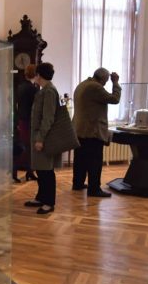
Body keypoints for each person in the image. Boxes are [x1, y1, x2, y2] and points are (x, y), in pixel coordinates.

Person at [25, 62, 77, 215]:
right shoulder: (46, 90)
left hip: (44, 137)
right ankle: (41, 197)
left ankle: (48, 202)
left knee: (46, 171)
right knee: (41, 169)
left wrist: (40, 139)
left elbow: (48, 118)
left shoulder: (49, 91)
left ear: (39, 75)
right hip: (40, 135)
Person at [71, 67, 121, 197]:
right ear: (103, 79)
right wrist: (115, 83)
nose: (106, 83)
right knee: (95, 161)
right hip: (92, 130)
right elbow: (114, 99)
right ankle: (94, 189)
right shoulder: (95, 87)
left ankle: (77, 183)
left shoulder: (83, 84)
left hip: (80, 129)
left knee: (80, 159)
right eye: (106, 80)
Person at [13, 64, 38, 183]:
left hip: (21, 120)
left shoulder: (20, 86)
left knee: (23, 146)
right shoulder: (33, 89)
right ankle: (28, 171)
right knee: (28, 148)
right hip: (29, 121)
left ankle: (20, 171)